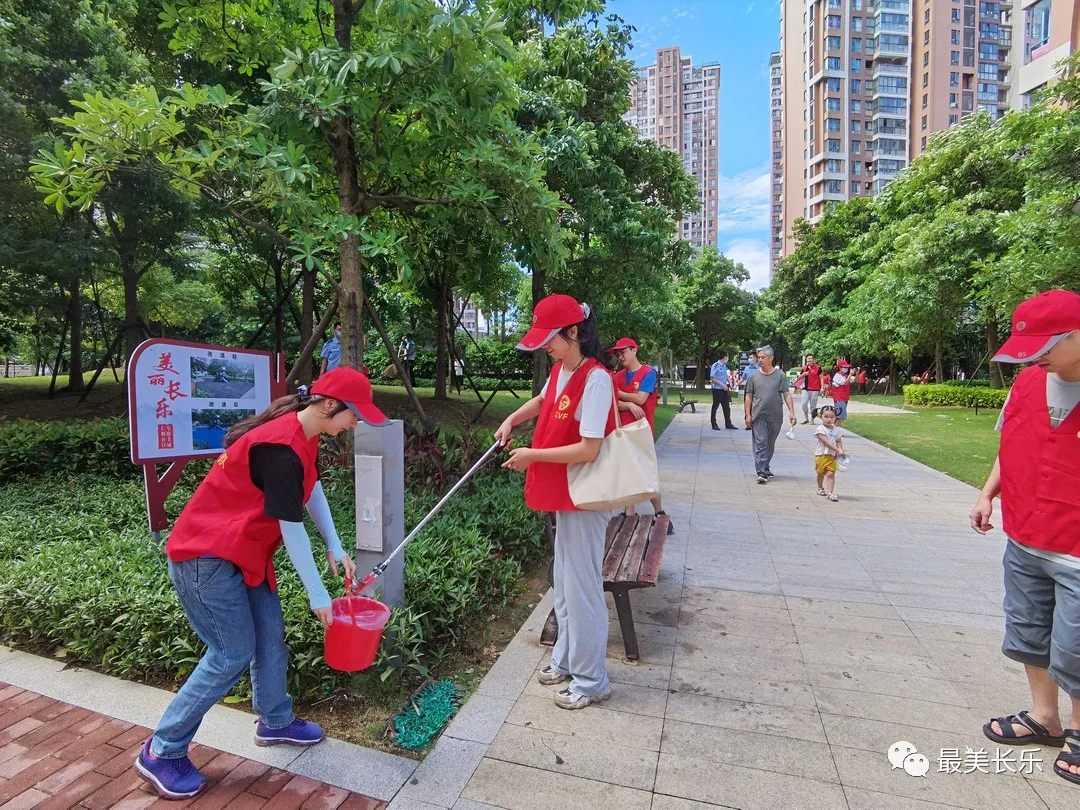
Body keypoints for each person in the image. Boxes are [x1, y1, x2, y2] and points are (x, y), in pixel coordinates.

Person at [134, 368, 388, 800]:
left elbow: (311, 491)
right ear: (329, 405)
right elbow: (291, 530)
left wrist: (335, 545)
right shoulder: (279, 447)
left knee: (270, 637)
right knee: (231, 653)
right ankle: (162, 750)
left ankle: (275, 721)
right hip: (206, 559)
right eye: (354, 414)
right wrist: (317, 593)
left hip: (243, 555)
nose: (356, 423)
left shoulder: (303, 434)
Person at [970, 289, 1080, 787]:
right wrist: (987, 493)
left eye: (1045, 346)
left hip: (1076, 547)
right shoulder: (1028, 382)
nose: (1036, 357)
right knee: (1029, 632)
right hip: (1025, 537)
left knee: (1074, 645)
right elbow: (1010, 441)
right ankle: (1044, 716)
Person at [496, 294, 615, 711]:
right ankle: (566, 659)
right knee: (564, 581)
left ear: (574, 332)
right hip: (566, 494)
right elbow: (544, 401)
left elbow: (589, 449)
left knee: (582, 587)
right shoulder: (563, 370)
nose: (544, 346)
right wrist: (513, 419)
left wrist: (532, 456)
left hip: (584, 496)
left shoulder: (596, 379)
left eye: (550, 339)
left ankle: (592, 679)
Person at [611, 337, 675, 535]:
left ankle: (659, 512)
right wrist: (629, 403)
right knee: (627, 472)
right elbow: (612, 402)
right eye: (618, 353)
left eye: (624, 352)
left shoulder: (648, 373)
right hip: (622, 430)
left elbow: (641, 398)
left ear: (634, 350)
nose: (620, 356)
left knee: (647, 472)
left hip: (641, 430)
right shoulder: (617, 376)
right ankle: (629, 513)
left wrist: (620, 394)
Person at [744, 345, 797, 484]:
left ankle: (765, 467)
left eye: (763, 357)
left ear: (771, 358)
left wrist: (792, 412)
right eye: (759, 357)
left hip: (775, 416)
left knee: (770, 444)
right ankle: (761, 471)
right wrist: (747, 415)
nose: (759, 360)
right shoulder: (753, 376)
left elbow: (786, 394)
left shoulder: (780, 375)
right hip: (758, 415)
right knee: (761, 443)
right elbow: (748, 396)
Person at [813, 405, 846, 502]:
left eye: (832, 417)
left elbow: (839, 441)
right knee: (820, 473)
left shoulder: (837, 430)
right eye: (826, 417)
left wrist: (840, 450)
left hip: (832, 456)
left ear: (835, 418)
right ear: (821, 416)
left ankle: (830, 492)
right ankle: (820, 487)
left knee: (831, 473)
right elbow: (826, 442)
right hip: (821, 455)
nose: (829, 419)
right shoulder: (820, 429)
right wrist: (837, 450)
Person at [709, 351, 736, 430]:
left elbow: (725, 376)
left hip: (724, 389)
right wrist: (722, 385)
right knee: (715, 406)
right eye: (727, 357)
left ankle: (728, 423)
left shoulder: (724, 366)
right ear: (724, 357)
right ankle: (714, 424)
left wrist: (730, 382)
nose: (728, 358)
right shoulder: (715, 365)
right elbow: (713, 378)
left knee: (726, 407)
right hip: (717, 389)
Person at [796, 353, 822, 424]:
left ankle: (812, 419)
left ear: (813, 360)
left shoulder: (818, 367)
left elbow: (821, 377)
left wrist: (822, 387)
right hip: (805, 389)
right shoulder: (804, 368)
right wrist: (803, 374)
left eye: (811, 358)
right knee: (803, 404)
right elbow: (798, 378)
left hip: (815, 389)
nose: (809, 360)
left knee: (813, 405)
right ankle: (806, 418)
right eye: (808, 359)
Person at [743, 351, 761, 429]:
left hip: (757, 390)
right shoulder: (747, 368)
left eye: (751, 357)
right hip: (748, 389)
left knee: (755, 406)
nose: (749, 359)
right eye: (749, 358)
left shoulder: (759, 368)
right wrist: (736, 384)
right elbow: (743, 378)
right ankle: (748, 423)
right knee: (747, 406)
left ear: (756, 358)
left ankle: (754, 422)